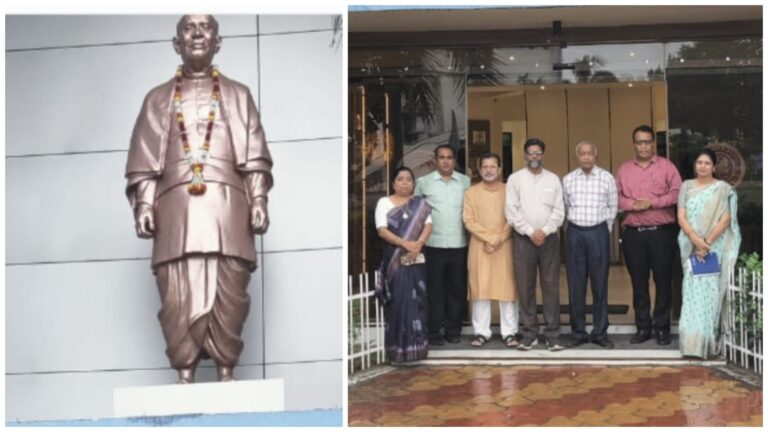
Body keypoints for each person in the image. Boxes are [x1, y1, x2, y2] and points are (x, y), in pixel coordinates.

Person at [125, 15, 273, 383]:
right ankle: (185, 374)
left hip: (228, 208)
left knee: (231, 289)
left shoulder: (238, 94)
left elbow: (254, 153)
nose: (195, 33)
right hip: (174, 209)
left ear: (218, 42)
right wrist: (145, 203)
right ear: (176, 43)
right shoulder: (157, 98)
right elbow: (144, 160)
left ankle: (227, 372)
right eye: (187, 28)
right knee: (177, 293)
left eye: (205, 27)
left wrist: (258, 200)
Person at [616, 125, 681, 346]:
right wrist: (634, 205)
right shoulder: (624, 170)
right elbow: (617, 198)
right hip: (634, 235)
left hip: (662, 234)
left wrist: (651, 202)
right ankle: (643, 327)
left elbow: (676, 193)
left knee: (663, 282)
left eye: (647, 142)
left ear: (652, 143)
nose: (643, 146)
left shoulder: (667, 166)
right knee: (639, 283)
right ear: (634, 144)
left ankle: (662, 328)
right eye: (639, 142)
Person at [677, 148, 741, 358]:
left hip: (713, 250)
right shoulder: (686, 186)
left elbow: (725, 218)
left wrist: (707, 243)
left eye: (707, 163)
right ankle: (691, 345)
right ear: (695, 165)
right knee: (691, 293)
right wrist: (696, 240)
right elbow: (681, 215)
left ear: (714, 166)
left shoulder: (722, 189)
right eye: (699, 162)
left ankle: (707, 343)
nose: (702, 166)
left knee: (711, 295)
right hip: (692, 247)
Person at [505, 138, 565, 351]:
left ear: (543, 155)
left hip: (549, 240)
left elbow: (559, 211)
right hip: (523, 240)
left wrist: (545, 231)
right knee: (526, 287)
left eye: (538, 153)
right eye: (531, 153)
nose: (534, 157)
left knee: (551, 287)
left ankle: (553, 334)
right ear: (524, 155)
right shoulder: (515, 179)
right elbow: (511, 211)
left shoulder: (553, 179)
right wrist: (531, 232)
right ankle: (528, 333)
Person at [374, 167, 433, 362]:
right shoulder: (384, 202)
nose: (405, 182)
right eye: (400, 179)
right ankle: (398, 350)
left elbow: (428, 225)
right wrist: (403, 243)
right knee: (398, 302)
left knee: (418, 301)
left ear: (413, 184)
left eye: (408, 179)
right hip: (395, 259)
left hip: (416, 257)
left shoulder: (420, 204)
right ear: (393, 183)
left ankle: (418, 349)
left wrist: (418, 244)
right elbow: (382, 230)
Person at [563, 141, 618, 349]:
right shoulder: (568, 179)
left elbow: (613, 206)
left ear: (596, 156)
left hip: (598, 232)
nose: (586, 157)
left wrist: (605, 230)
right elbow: (566, 205)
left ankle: (600, 332)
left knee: (600, 283)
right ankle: (578, 332)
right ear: (577, 157)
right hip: (575, 232)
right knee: (576, 284)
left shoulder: (607, 178)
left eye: (589, 154)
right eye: (582, 154)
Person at [415, 144, 471, 345]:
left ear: (455, 160)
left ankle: (453, 329)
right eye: (442, 157)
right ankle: (433, 331)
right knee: (434, 290)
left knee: (456, 289)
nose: (446, 161)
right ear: (435, 160)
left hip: (459, 243)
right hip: (432, 244)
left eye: (449, 157)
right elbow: (416, 214)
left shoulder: (465, 182)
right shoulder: (423, 183)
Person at [463, 153, 517, 348]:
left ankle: (509, 332)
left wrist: (499, 238)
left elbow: (514, 218)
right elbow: (468, 220)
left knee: (507, 290)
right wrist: (489, 238)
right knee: (481, 289)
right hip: (480, 246)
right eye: (484, 166)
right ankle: (481, 332)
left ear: (500, 170)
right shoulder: (471, 192)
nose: (488, 170)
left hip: (504, 245)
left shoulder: (509, 190)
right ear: (479, 169)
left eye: (492, 166)